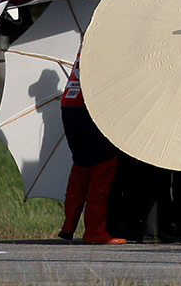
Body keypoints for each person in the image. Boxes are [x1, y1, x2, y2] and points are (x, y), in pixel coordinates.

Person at [58, 48, 127, 244]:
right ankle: (95, 231)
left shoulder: (87, 40)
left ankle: (69, 224)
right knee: (103, 169)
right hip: (92, 108)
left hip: (69, 104)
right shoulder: (110, 41)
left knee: (81, 166)